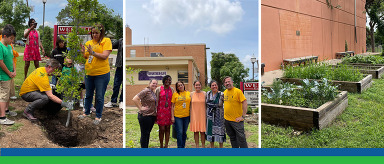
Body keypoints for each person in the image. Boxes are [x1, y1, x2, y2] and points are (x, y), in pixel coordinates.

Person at [79, 23, 112, 125]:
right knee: (88, 94)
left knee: (99, 96)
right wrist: (83, 52)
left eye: (97, 33)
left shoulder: (106, 41)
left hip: (101, 74)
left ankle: (98, 116)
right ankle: (86, 112)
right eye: (93, 33)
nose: (94, 35)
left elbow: (104, 56)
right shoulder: (89, 42)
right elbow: (86, 57)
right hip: (89, 73)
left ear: (101, 32)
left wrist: (93, 53)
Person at [223, 76, 248, 148]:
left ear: (232, 82)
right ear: (224, 84)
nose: (227, 83)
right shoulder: (224, 92)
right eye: (226, 82)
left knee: (241, 139)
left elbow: (245, 102)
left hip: (237, 120)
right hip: (227, 120)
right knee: (232, 138)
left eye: (228, 81)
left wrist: (243, 116)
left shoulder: (238, 91)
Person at [132, 79, 158, 148]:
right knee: (144, 134)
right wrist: (140, 108)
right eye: (153, 83)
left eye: (156, 84)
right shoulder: (146, 91)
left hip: (152, 116)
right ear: (149, 83)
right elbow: (135, 99)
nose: (155, 85)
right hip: (145, 116)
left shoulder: (153, 92)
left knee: (147, 133)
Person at [0, 24, 16, 125]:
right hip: (4, 76)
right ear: (4, 36)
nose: (12, 41)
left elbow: (12, 59)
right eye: (11, 38)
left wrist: (14, 71)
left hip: (10, 75)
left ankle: (6, 110)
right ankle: (2, 117)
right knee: (3, 96)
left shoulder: (9, 46)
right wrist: (9, 73)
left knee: (9, 94)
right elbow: (1, 62)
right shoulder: (0, 47)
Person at [155, 75, 174, 148]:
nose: (168, 81)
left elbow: (173, 102)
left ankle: (166, 145)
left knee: (168, 128)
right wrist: (155, 112)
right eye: (166, 79)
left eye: (169, 80)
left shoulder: (172, 89)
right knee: (161, 129)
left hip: (169, 111)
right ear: (164, 80)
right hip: (160, 112)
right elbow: (156, 101)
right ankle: (161, 145)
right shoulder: (159, 89)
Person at [205, 80, 225, 148]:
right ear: (210, 87)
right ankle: (212, 148)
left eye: (215, 85)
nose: (214, 86)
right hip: (210, 116)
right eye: (212, 85)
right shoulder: (208, 94)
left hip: (219, 116)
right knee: (211, 132)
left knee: (220, 132)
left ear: (217, 86)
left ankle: (221, 148)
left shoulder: (222, 94)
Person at [171, 81, 191, 148]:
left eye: (181, 85)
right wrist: (172, 117)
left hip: (187, 116)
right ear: (177, 87)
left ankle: (183, 146)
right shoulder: (175, 94)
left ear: (183, 85)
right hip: (178, 116)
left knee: (184, 132)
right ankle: (179, 147)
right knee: (180, 132)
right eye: (178, 86)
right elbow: (172, 106)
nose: (180, 86)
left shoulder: (188, 93)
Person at [104, 38, 123, 109]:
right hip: (119, 66)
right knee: (116, 84)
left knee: (124, 86)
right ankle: (113, 101)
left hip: (126, 67)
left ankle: (122, 101)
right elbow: (110, 45)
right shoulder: (120, 41)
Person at [190, 80, 206, 148]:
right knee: (196, 131)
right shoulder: (191, 94)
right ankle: (197, 146)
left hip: (202, 115)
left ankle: (203, 146)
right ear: (194, 86)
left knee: (202, 132)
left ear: (201, 86)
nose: (198, 86)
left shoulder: (205, 93)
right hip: (194, 115)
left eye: (199, 85)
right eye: (196, 85)